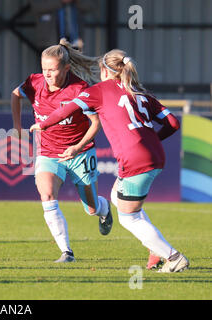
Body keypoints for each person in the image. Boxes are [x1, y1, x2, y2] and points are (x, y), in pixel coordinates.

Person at [30, 49, 189, 272]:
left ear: (105, 71)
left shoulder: (101, 90)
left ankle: (172, 257)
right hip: (155, 156)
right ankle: (156, 249)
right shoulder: (142, 94)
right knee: (116, 196)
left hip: (135, 159)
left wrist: (44, 124)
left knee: (129, 218)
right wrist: (151, 140)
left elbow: (68, 108)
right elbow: (173, 123)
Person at [11, 38, 113, 263]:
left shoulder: (80, 89)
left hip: (80, 152)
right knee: (46, 195)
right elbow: (15, 95)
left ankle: (104, 208)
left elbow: (96, 123)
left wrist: (77, 147)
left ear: (66, 68)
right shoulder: (34, 82)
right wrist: (17, 127)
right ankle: (67, 252)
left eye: (52, 70)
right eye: (44, 69)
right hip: (48, 152)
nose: (47, 74)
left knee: (91, 208)